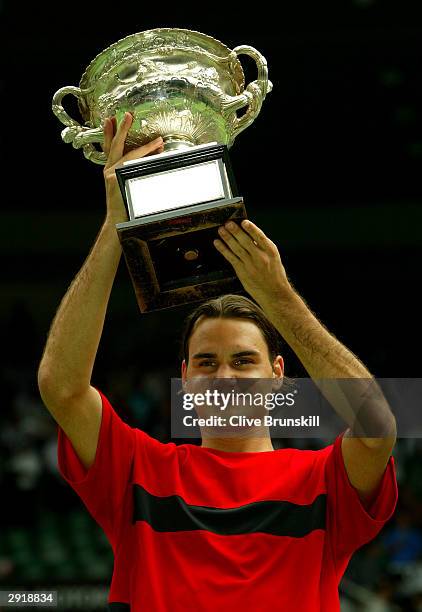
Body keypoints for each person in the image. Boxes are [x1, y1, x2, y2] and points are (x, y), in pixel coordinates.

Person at [37, 112, 398, 612]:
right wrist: (112, 230)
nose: (224, 376)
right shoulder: (140, 470)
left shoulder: (321, 479)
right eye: (206, 362)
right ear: (185, 380)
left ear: (277, 376)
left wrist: (280, 299)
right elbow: (61, 387)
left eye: (243, 360)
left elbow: (377, 425)